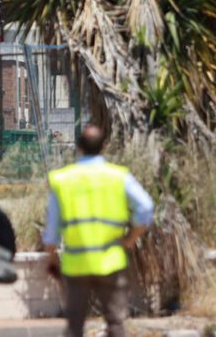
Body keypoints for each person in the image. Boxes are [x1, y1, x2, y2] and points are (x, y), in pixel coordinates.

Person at [44, 124, 154, 337]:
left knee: (74, 326)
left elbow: (52, 228)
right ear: (104, 147)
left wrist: (51, 258)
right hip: (110, 261)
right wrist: (131, 238)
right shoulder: (118, 176)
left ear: (78, 147)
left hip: (77, 264)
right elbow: (146, 207)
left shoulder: (62, 180)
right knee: (115, 323)